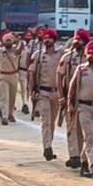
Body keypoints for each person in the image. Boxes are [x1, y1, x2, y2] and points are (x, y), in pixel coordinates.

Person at [68, 41, 93, 179]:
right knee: (89, 136)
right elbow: (72, 88)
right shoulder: (80, 69)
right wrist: (70, 105)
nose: (91, 55)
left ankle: (84, 163)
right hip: (82, 107)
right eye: (89, 53)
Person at [57, 29, 89, 169]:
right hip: (71, 97)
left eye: (80, 39)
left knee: (85, 129)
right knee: (71, 127)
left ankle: (84, 156)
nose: (77, 42)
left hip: (86, 98)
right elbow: (59, 76)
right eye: (75, 39)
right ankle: (74, 156)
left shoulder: (91, 58)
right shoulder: (67, 57)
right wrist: (61, 96)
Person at [30, 28, 61, 161]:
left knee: (52, 122)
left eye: (50, 38)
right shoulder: (37, 55)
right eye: (45, 38)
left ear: (54, 40)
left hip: (57, 93)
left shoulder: (61, 54)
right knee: (46, 121)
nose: (47, 40)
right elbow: (32, 74)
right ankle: (47, 147)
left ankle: (49, 143)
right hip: (42, 92)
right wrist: (31, 91)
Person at [0, 32, 21, 125]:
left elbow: (21, 49)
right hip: (2, 76)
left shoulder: (15, 50)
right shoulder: (0, 51)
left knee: (12, 97)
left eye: (10, 40)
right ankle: (4, 116)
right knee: (4, 97)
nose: (8, 42)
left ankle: (10, 114)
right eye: (7, 40)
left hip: (13, 75)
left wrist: (18, 40)